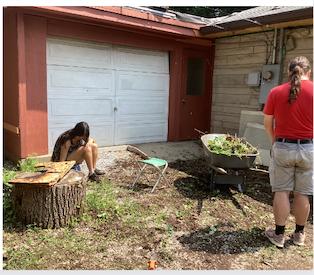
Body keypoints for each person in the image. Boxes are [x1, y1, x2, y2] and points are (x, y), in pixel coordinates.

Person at [263, 56, 313, 248]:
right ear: (309, 73)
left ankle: (279, 235)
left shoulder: (276, 92)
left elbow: (268, 123)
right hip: (309, 148)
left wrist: (274, 140)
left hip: (283, 146)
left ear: (288, 72)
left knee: (281, 191)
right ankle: (299, 234)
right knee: (303, 193)